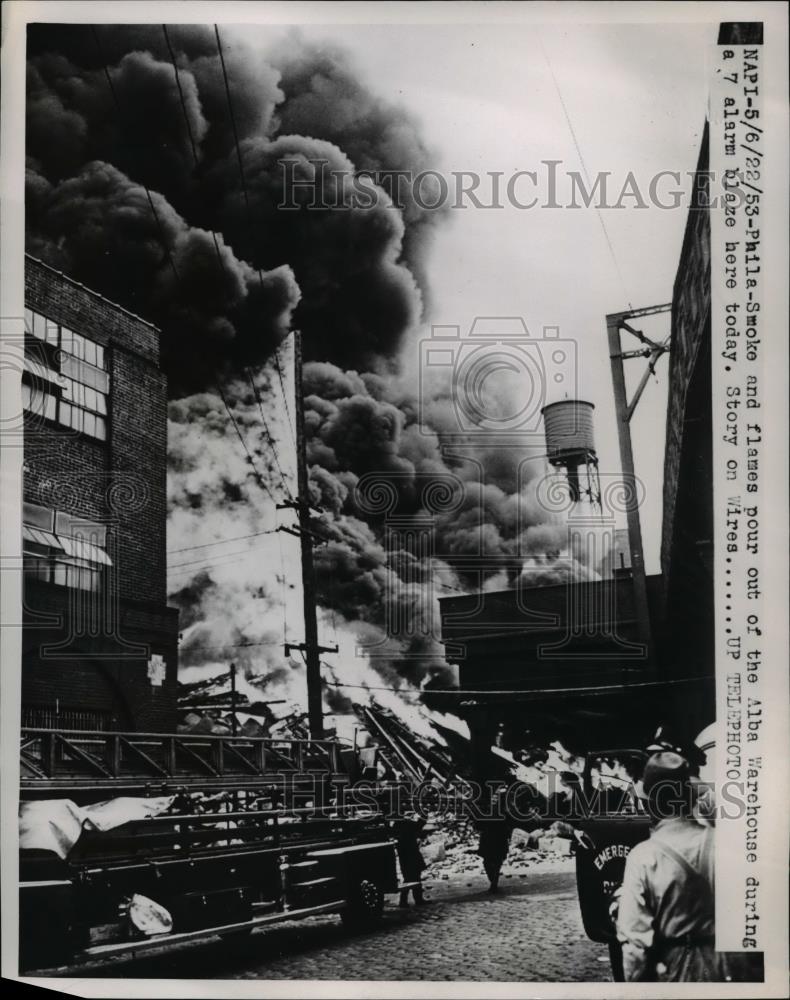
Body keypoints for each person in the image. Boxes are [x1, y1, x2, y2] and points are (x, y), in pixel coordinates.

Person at [616, 750, 751, 982]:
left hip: (677, 968)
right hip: (731, 968)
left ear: (651, 805)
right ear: (690, 798)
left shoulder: (644, 857)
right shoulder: (726, 844)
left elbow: (636, 943)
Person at [392, 814, 427, 907]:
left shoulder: (397, 826)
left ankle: (404, 901)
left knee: (408, 878)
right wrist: (424, 814)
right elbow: (419, 825)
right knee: (415, 877)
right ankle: (417, 900)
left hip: (404, 856)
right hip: (412, 854)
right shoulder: (407, 824)